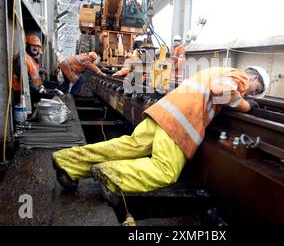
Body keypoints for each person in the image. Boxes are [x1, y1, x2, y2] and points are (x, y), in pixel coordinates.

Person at [52, 66, 270, 205]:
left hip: (163, 111)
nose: (250, 92)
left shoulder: (215, 69)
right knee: (165, 170)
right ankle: (110, 175)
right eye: (254, 89)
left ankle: (68, 162)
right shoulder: (239, 76)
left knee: (129, 146)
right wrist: (245, 106)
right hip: (180, 122)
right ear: (253, 77)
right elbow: (221, 90)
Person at [12, 35, 46, 106]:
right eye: (33, 45)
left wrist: (41, 85)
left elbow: (35, 75)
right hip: (21, 93)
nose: (35, 48)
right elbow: (26, 81)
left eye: (37, 46)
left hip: (31, 92)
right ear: (28, 46)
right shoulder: (21, 59)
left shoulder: (31, 58)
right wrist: (38, 90)